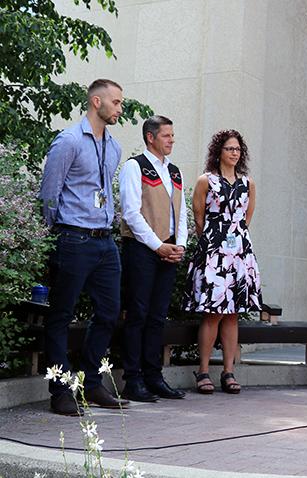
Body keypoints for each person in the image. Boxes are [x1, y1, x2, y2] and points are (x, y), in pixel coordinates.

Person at [39, 79, 129, 415]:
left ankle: (91, 383)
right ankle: (60, 391)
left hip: (105, 242)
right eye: (116, 102)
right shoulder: (69, 141)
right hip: (73, 239)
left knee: (109, 312)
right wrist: (57, 234)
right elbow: (49, 193)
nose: (120, 109)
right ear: (96, 102)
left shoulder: (115, 147)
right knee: (61, 316)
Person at [185, 130, 261, 395]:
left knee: (232, 314)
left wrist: (234, 240)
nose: (234, 153)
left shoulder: (248, 182)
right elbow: (198, 218)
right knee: (212, 313)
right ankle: (203, 371)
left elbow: (246, 218)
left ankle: (228, 371)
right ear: (219, 151)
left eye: (238, 149)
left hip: (239, 251)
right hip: (213, 251)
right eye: (229, 148)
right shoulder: (206, 180)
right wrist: (214, 243)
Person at [119, 115, 188, 402]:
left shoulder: (174, 171)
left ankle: (153, 376)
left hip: (168, 250)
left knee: (158, 317)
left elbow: (180, 211)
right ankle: (132, 380)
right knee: (137, 314)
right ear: (151, 137)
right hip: (141, 249)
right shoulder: (134, 167)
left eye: (172, 135)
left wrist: (180, 244)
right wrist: (157, 245)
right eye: (167, 135)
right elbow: (131, 213)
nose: (172, 140)